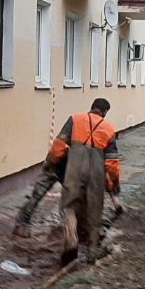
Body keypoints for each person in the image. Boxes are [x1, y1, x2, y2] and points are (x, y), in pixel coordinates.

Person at [47, 98, 121, 263]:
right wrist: (113, 185)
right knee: (95, 210)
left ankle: (71, 239)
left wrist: (50, 162)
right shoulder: (109, 129)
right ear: (105, 112)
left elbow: (58, 146)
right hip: (96, 174)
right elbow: (112, 164)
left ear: (92, 107)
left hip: (74, 170)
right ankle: (93, 250)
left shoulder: (74, 120)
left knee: (69, 207)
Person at [13, 152, 66, 238]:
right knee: (38, 193)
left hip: (65, 161)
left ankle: (21, 223)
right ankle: (21, 223)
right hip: (60, 161)